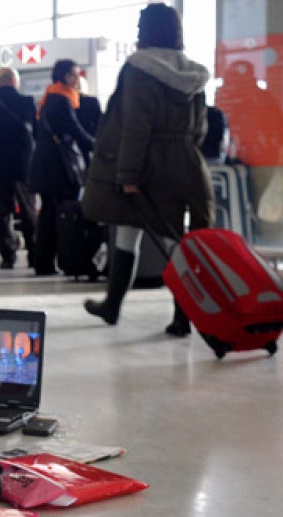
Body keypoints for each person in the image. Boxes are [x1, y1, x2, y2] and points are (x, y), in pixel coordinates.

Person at [81, 4, 213, 335]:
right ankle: (114, 305)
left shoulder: (139, 69)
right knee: (142, 233)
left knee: (166, 239)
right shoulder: (193, 74)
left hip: (148, 164)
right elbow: (201, 128)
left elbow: (135, 126)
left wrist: (127, 174)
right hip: (184, 161)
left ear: (145, 30)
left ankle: (182, 317)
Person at [30, 59, 96, 275]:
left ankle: (43, 262)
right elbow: (75, 131)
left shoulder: (51, 96)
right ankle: (53, 261)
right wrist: (99, 145)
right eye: (75, 75)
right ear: (64, 77)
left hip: (47, 166)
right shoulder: (61, 100)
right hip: (58, 168)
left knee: (48, 213)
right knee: (57, 215)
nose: (78, 80)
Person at [0, 67, 38, 269]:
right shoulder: (27, 102)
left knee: (1, 212)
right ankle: (34, 253)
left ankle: (7, 256)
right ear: (14, 81)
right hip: (23, 165)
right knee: (28, 210)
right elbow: (37, 133)